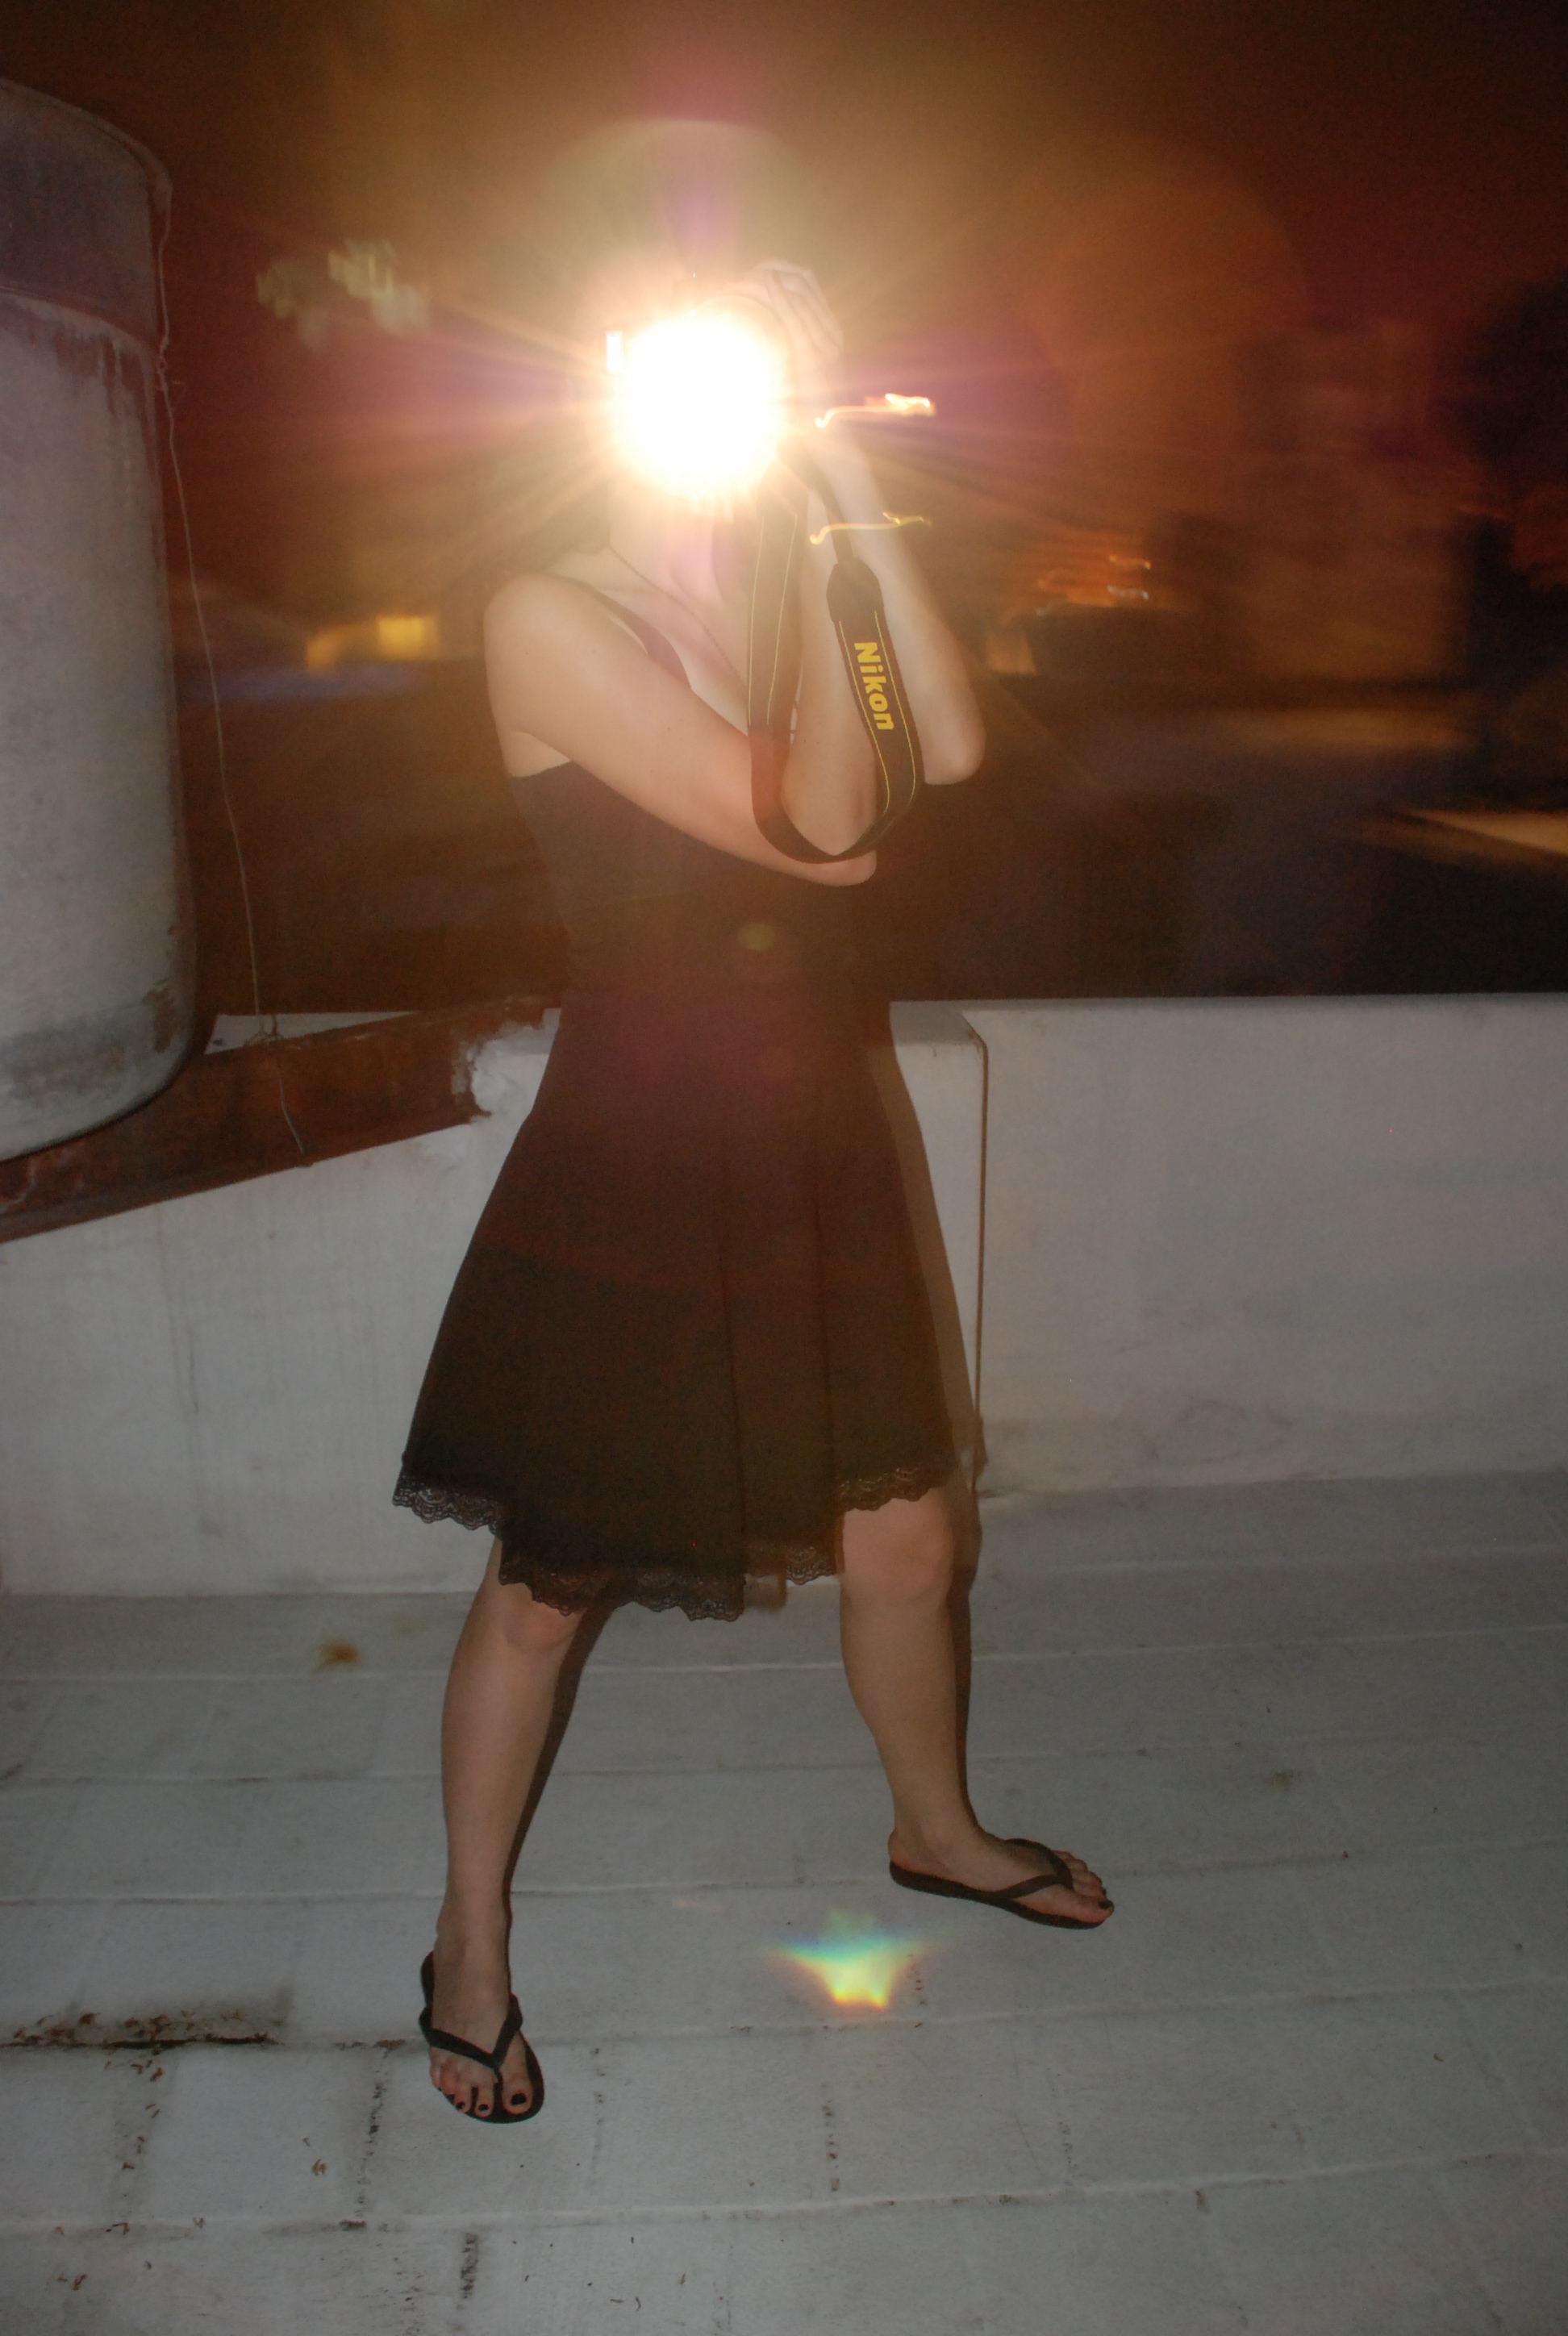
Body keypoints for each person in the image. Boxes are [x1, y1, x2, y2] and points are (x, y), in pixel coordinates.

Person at [395, 258, 1113, 2126]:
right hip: (642, 1147)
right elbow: (826, 825)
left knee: (912, 1538)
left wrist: (852, 505)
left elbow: (949, 740)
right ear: (611, 386)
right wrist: (819, 575)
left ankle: (935, 1827)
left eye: (781, 378)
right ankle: (468, 1938)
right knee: (549, 1578)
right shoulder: (550, 611)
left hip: (815, 1130)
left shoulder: (806, 572)